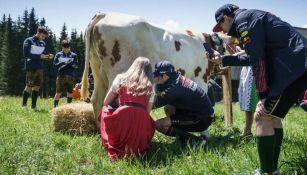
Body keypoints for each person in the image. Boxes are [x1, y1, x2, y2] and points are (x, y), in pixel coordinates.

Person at [211, 4, 307, 174]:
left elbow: (258, 61)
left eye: (222, 27)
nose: (224, 32)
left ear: (226, 18)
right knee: (273, 116)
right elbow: (252, 56)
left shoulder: (243, 22)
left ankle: (266, 171)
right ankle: (272, 169)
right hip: (298, 65)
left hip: (293, 68)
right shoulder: (251, 16)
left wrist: (263, 96)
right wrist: (223, 59)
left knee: (262, 116)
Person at [99, 57, 155, 160]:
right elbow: (147, 112)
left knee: (104, 110)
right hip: (141, 118)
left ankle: (112, 140)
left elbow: (106, 102)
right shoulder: (150, 86)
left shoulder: (121, 78)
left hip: (123, 115)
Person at [153, 61, 214, 148]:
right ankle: (184, 137)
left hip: (202, 119)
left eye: (158, 77)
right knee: (169, 107)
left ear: (165, 76)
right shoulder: (176, 76)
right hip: (202, 113)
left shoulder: (173, 89)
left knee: (159, 124)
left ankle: (197, 141)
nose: (157, 80)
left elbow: (153, 104)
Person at [225, 37, 259, 137]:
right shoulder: (244, 36)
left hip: (255, 71)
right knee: (249, 105)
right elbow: (241, 56)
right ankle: (248, 131)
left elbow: (255, 51)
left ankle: (259, 131)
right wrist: (237, 51)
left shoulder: (256, 33)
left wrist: (240, 52)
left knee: (255, 103)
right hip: (248, 70)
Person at [22, 26, 53, 110]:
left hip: (40, 67)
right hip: (30, 66)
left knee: (37, 86)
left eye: (45, 37)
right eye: (42, 36)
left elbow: (42, 55)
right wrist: (40, 56)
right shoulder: (28, 41)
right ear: (38, 33)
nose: (43, 38)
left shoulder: (43, 43)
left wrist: (48, 56)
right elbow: (26, 54)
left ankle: (33, 106)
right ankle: (24, 106)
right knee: (29, 86)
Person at [53, 40, 78, 108]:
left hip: (70, 76)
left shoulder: (74, 55)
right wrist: (63, 63)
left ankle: (68, 107)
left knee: (70, 92)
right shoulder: (58, 55)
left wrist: (71, 63)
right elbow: (55, 65)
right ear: (62, 47)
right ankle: (55, 107)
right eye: (64, 48)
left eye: (67, 48)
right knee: (58, 92)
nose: (66, 49)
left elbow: (76, 66)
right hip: (61, 75)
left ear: (70, 47)